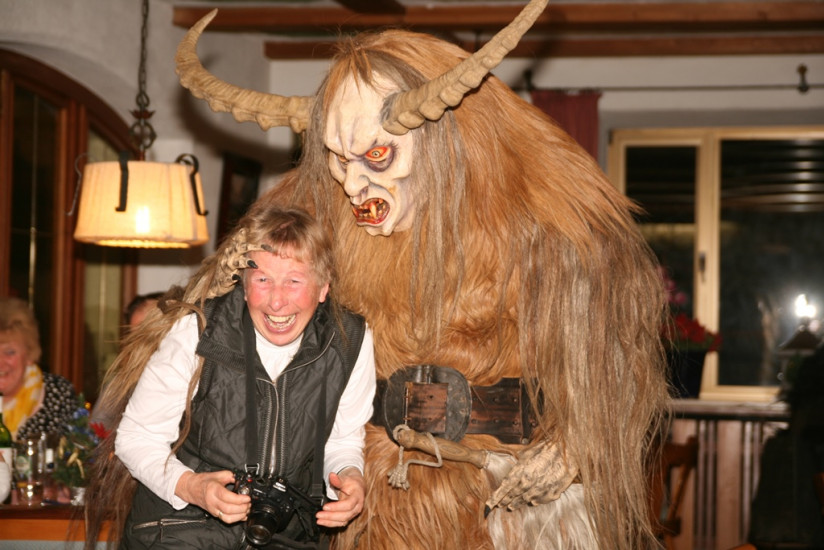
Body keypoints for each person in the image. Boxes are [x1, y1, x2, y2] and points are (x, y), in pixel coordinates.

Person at [95, 206, 376, 549]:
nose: (277, 301)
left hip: (282, 537)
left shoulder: (349, 341)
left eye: (294, 281)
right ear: (243, 285)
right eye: (262, 280)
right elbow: (137, 437)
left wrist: (350, 478)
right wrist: (191, 486)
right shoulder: (198, 331)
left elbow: (343, 440)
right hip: (179, 531)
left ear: (323, 288)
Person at [0, 297, 77, 441]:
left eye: (9, 352)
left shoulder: (57, 394)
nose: (0, 362)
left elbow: (76, 450)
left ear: (29, 354)